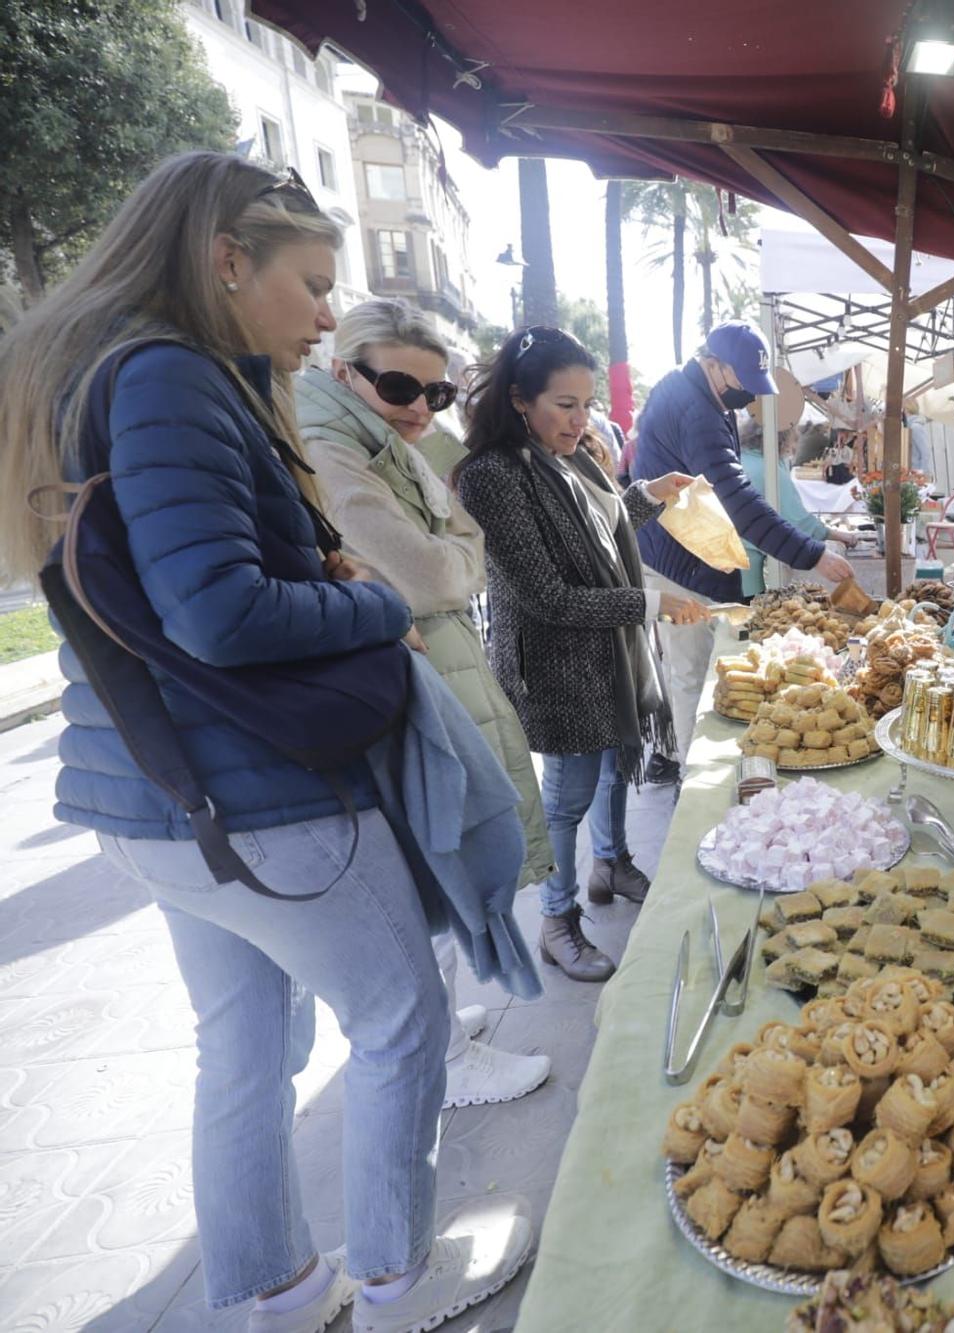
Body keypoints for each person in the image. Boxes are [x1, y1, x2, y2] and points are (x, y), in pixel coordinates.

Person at [0, 152, 532, 1333]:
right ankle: (399, 1284)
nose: (330, 314)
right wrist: (383, 603)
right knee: (401, 1022)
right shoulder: (171, 377)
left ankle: (275, 1295)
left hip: (163, 804)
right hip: (264, 801)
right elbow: (221, 611)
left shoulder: (90, 371)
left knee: (241, 1047)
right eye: (313, 282)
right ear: (227, 262)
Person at [297, 297, 553, 1109]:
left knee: (438, 850)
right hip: (400, 679)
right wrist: (457, 548)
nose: (421, 408)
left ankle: (443, 1026)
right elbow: (439, 571)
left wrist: (454, 546)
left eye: (437, 394)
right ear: (344, 371)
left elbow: (454, 548)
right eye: (402, 386)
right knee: (429, 848)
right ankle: (441, 1063)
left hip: (435, 663)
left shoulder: (385, 445)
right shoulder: (336, 453)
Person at [454, 326, 704, 983]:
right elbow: (550, 596)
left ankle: (611, 862)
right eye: (564, 403)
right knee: (566, 796)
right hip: (553, 664)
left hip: (607, 656)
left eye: (586, 404)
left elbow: (598, 532)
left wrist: (649, 496)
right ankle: (557, 921)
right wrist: (651, 604)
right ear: (518, 399)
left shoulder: (574, 460)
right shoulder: (492, 478)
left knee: (616, 766)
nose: (580, 418)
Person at [633, 321, 854, 769]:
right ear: (713, 365)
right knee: (691, 676)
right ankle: (688, 776)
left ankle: (691, 761)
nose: (747, 395)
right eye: (741, 382)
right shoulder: (696, 410)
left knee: (698, 670)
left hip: (686, 552)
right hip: (677, 561)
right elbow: (736, 501)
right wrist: (812, 554)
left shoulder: (696, 395)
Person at [738, 418, 861, 596]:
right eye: (794, 440)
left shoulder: (743, 458)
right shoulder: (768, 469)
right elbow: (796, 519)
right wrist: (836, 536)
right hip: (744, 571)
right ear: (784, 439)